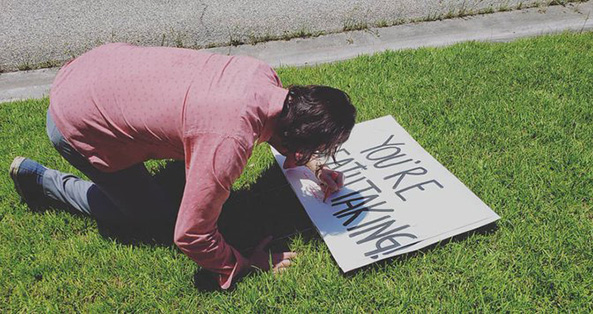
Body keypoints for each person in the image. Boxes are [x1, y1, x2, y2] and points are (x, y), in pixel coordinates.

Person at [9, 43, 356, 289]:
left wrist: (312, 162)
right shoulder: (228, 143)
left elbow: (274, 129)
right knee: (150, 215)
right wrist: (242, 263)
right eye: (317, 148)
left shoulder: (262, 76)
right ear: (296, 141)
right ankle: (44, 182)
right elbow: (190, 235)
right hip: (77, 120)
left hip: (93, 69)